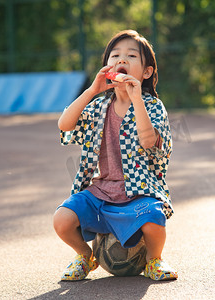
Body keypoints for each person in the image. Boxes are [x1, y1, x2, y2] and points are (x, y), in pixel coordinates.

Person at [54, 30, 177, 281]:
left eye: (131, 55)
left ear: (146, 72)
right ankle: (85, 256)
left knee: (154, 219)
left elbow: (149, 140)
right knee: (62, 220)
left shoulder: (152, 106)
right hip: (101, 192)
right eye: (115, 55)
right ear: (107, 66)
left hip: (137, 192)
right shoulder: (99, 105)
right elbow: (65, 125)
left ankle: (154, 259)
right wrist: (91, 90)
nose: (122, 60)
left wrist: (136, 99)